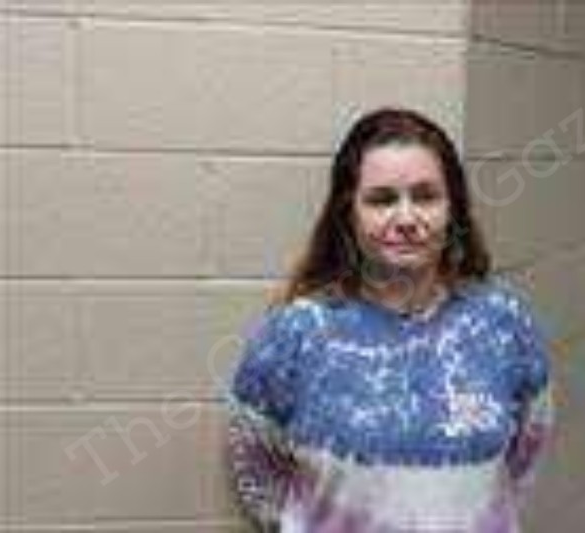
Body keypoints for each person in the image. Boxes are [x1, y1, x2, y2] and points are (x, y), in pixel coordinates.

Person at [224, 107, 554, 532]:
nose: (406, 219)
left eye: (425, 196)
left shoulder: (503, 323)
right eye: (382, 200)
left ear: (453, 208)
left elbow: (527, 452)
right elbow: (255, 464)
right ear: (348, 213)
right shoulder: (295, 333)